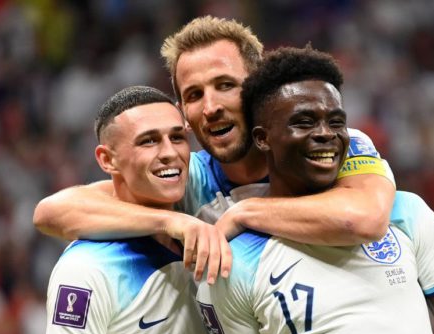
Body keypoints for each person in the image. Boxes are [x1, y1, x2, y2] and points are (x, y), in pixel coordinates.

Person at [197, 47, 434, 334]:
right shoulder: (234, 262)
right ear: (262, 138)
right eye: (304, 122)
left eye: (336, 121)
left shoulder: (405, 214)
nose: (325, 133)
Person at [32, 16, 396, 283]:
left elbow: (363, 218)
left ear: (258, 92)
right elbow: (52, 212)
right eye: (194, 95)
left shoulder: (325, 144)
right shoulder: (186, 180)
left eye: (225, 85)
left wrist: (244, 213)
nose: (211, 106)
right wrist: (172, 220)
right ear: (184, 116)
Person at [43, 86, 291, 334]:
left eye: (177, 137)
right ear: (108, 160)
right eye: (148, 141)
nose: (169, 153)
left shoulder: (200, 254)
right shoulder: (85, 269)